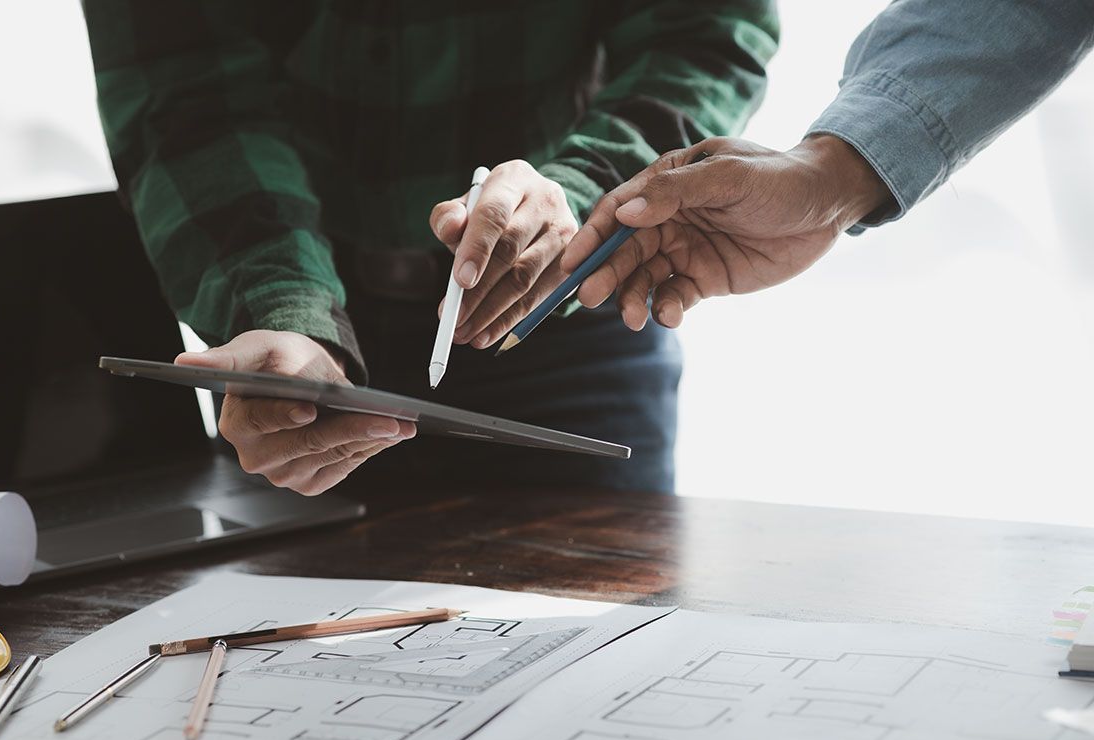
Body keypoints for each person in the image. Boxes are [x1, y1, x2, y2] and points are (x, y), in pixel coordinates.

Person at [82, 1, 778, 496]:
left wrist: (579, 194)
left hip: (564, 313)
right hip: (299, 345)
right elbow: (183, 87)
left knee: (599, 667)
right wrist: (284, 304)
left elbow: (704, 33)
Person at [561, 0, 1094, 331]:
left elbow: (703, 33)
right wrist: (829, 179)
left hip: (589, 288)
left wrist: (571, 194)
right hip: (605, 271)